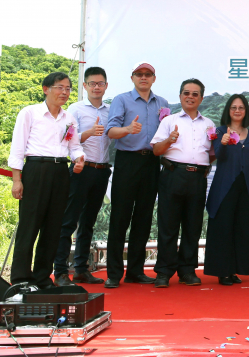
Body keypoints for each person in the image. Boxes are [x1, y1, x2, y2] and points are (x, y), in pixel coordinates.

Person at [8, 72, 85, 288]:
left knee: (53, 227)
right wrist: (17, 180)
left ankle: (42, 278)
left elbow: (74, 146)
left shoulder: (69, 118)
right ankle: (21, 279)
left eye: (68, 88)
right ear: (46, 89)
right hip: (36, 169)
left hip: (61, 171)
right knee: (29, 225)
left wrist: (79, 158)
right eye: (60, 87)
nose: (65, 92)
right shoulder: (30, 113)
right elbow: (17, 148)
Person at [104, 62, 169, 288]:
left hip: (151, 162)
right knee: (120, 216)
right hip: (127, 161)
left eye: (148, 74)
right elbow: (110, 131)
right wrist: (128, 130)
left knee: (143, 217)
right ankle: (114, 274)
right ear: (132, 78)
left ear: (154, 78)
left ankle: (135, 271)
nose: (143, 77)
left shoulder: (162, 103)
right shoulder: (121, 100)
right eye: (139, 74)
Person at [151, 79, 215, 288]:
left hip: (198, 178)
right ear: (180, 96)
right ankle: (163, 272)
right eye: (186, 93)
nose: (190, 97)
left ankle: (187, 270)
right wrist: (169, 140)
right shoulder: (169, 121)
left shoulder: (209, 124)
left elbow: (211, 154)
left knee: (193, 226)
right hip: (173, 174)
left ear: (201, 98)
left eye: (195, 94)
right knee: (168, 226)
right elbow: (156, 150)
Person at [53, 67, 111, 287]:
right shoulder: (75, 109)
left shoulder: (111, 110)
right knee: (69, 221)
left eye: (100, 83)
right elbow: (66, 138)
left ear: (106, 86)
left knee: (88, 222)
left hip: (102, 170)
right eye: (92, 83)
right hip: (80, 169)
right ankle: (60, 271)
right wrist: (87, 133)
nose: (96, 87)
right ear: (85, 85)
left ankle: (81, 270)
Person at [204, 94, 249, 285]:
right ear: (228, 110)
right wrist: (223, 142)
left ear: (246, 111)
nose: (237, 110)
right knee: (223, 227)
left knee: (241, 227)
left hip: (246, 186)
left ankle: (235, 270)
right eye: (233, 107)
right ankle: (222, 271)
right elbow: (218, 156)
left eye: (241, 107)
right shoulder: (219, 132)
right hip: (225, 185)